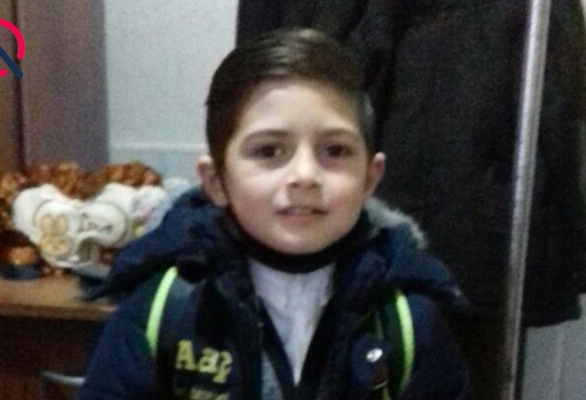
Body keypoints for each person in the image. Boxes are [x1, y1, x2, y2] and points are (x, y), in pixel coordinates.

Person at [77, 29, 468, 400]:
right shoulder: (163, 307)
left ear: (369, 177)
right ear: (215, 181)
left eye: (334, 151)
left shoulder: (408, 320)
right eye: (268, 151)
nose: (305, 175)